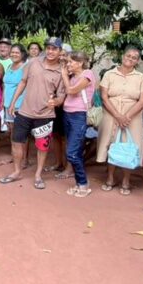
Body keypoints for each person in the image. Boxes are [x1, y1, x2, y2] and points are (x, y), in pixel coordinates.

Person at [0, 38, 66, 190]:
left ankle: (38, 175)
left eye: (54, 49)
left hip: (45, 115)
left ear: (60, 51)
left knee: (42, 146)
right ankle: (16, 171)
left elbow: (61, 96)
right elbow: (23, 82)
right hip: (24, 111)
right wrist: (13, 102)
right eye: (48, 48)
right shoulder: (33, 63)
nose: (50, 51)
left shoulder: (61, 71)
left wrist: (56, 102)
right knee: (17, 141)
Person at [96, 46, 143, 195]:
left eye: (134, 57)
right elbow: (104, 97)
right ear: (122, 56)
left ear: (137, 61)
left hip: (133, 117)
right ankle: (110, 177)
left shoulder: (141, 77)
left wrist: (126, 117)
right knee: (111, 145)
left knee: (128, 147)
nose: (130, 59)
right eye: (128, 56)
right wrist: (118, 116)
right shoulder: (109, 74)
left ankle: (126, 180)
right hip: (111, 114)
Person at [60, 51, 95, 197]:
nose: (68, 64)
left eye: (70, 62)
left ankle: (83, 183)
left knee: (72, 153)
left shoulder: (87, 74)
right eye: (67, 62)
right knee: (76, 150)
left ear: (80, 63)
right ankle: (79, 183)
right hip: (67, 114)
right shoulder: (73, 76)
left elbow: (71, 90)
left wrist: (63, 75)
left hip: (79, 116)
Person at [2, 44, 29, 169]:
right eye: (12, 52)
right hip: (8, 105)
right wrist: (3, 102)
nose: (14, 54)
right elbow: (5, 86)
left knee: (22, 134)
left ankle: (24, 160)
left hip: (20, 105)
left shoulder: (26, 67)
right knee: (13, 132)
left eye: (17, 52)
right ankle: (15, 157)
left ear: (22, 54)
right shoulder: (9, 66)